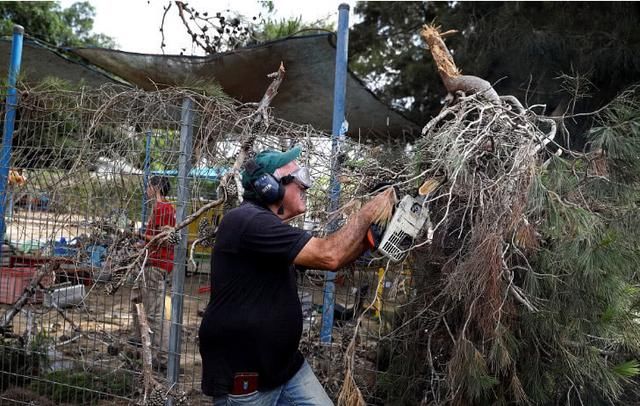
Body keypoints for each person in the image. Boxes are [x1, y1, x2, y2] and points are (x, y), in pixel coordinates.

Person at [199, 146, 396, 405]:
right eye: (299, 178)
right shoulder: (247, 222)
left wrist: (372, 236)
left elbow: (335, 259)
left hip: (285, 368)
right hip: (246, 378)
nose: (306, 186)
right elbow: (331, 255)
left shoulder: (269, 228)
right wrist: (369, 212)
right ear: (270, 186)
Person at [131, 175, 176, 370]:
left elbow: (164, 239)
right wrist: (142, 243)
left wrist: (140, 236)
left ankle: (162, 358)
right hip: (153, 262)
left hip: (156, 265)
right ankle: (140, 340)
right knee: (137, 299)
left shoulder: (162, 208)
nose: (146, 189)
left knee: (156, 313)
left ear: (156, 187)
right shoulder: (163, 208)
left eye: (149, 185)